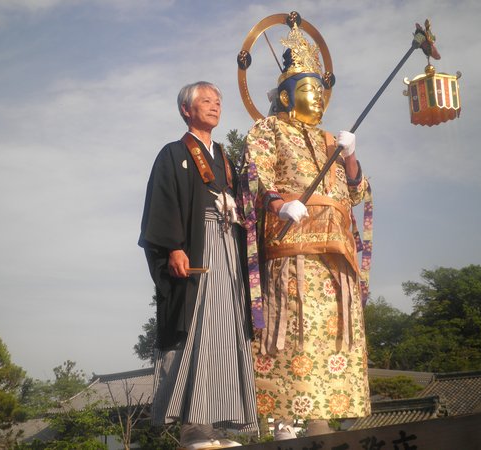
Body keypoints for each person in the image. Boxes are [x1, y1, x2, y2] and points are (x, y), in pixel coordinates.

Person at [240, 21, 371, 440]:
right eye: (308, 89)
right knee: (291, 330)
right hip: (292, 245)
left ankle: (323, 418)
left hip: (335, 252)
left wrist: (350, 157)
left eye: (320, 90)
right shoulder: (268, 130)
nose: (317, 97)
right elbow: (254, 174)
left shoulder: (331, 140)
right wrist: (278, 203)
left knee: (330, 335)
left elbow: (357, 194)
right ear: (285, 96)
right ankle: (283, 420)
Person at [139, 81, 258, 449]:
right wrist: (173, 247)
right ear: (186, 110)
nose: (215, 106)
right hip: (197, 246)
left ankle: (219, 428)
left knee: (228, 332)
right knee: (198, 331)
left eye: (218, 101)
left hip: (228, 246)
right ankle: (193, 430)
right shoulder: (173, 154)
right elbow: (163, 203)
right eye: (206, 100)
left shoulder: (224, 157)